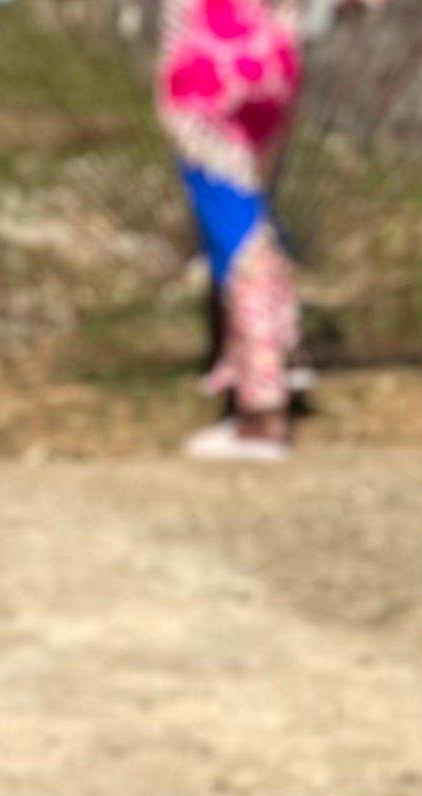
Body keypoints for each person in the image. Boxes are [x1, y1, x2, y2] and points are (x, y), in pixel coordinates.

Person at [157, 0, 313, 462]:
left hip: (209, 74)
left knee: (243, 251)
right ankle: (279, 360)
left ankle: (263, 412)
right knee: (254, 232)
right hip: (271, 63)